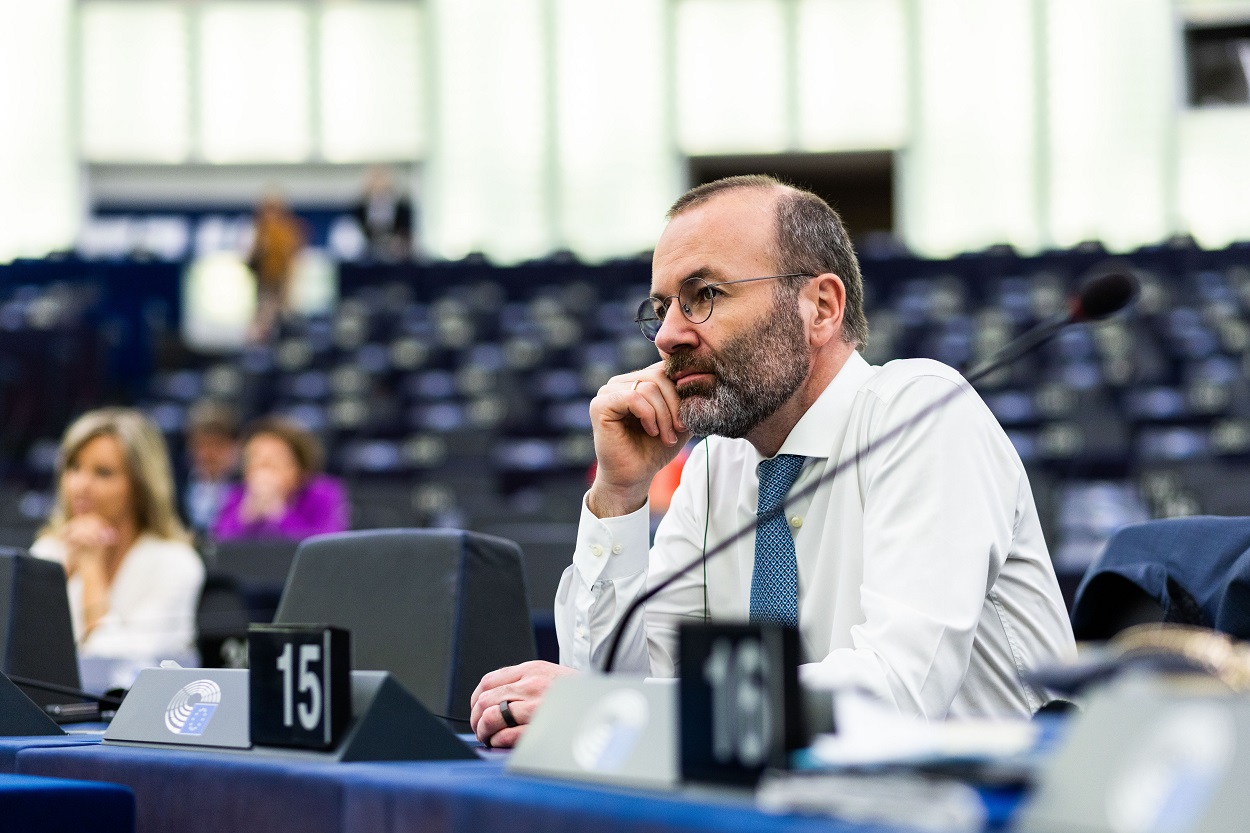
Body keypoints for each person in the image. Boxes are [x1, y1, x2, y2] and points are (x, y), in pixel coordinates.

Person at [470, 175, 1077, 748]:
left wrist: (623, 706)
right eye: (662, 309)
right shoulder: (714, 469)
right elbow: (616, 687)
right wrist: (620, 494)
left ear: (820, 307)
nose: (667, 336)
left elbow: (893, 695)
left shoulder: (921, 413)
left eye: (704, 295)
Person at [31, 408, 205, 660]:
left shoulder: (176, 563)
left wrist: (91, 569)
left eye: (103, 472)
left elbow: (113, 668)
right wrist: (56, 580)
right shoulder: (48, 551)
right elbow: (18, 655)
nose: (80, 485)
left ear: (140, 485)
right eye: (74, 467)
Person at [212, 417, 349, 541]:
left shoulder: (324, 494)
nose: (262, 472)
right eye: (254, 461)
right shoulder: (238, 496)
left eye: (272, 463)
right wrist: (244, 517)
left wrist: (280, 514)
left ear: (299, 467)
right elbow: (217, 544)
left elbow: (325, 545)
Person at [247, 188, 306, 342]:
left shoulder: (288, 231)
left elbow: (293, 260)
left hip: (282, 284)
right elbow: (251, 261)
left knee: (284, 321)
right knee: (263, 321)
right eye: (267, 210)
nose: (270, 216)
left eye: (274, 210)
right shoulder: (258, 231)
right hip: (264, 284)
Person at [181, 400, 241, 537]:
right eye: (200, 445)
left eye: (216, 445)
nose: (207, 454)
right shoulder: (175, 487)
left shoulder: (245, 488)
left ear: (235, 446)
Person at [352, 165, 415, 261]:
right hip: (367, 259)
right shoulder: (360, 209)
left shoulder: (402, 210)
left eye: (383, 188)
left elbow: (407, 236)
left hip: (396, 259)